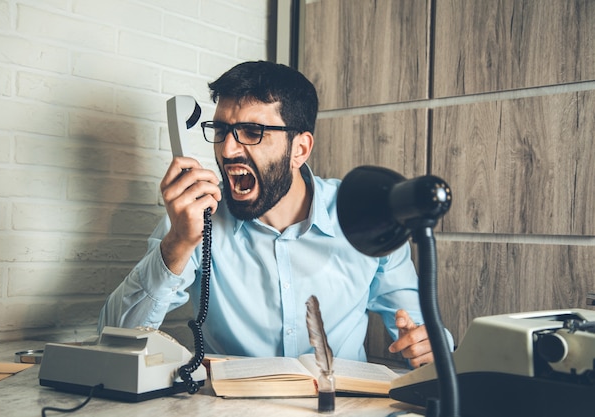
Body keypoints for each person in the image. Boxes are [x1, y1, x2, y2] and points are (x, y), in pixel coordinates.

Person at [98, 60, 452, 368]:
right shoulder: (194, 221)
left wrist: (428, 346)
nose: (228, 149)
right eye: (221, 130)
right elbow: (113, 339)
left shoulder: (365, 212)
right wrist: (177, 244)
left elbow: (424, 333)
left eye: (252, 132)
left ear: (299, 148)